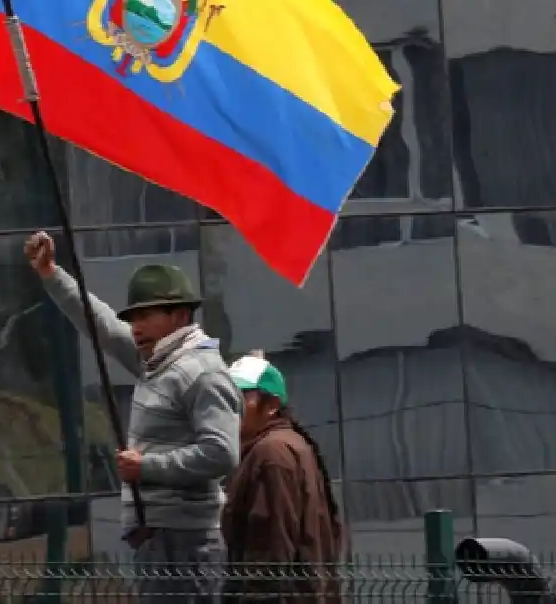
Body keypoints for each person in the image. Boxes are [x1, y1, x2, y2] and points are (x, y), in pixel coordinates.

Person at [24, 231, 239, 604]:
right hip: (159, 535)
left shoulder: (201, 371)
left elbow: (222, 452)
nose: (135, 326)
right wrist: (52, 275)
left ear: (179, 316)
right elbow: (102, 325)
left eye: (145, 315)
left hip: (184, 543)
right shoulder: (157, 361)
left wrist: (148, 467)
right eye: (133, 316)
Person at [221, 352, 343, 603]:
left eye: (241, 396)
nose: (229, 405)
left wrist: (256, 597)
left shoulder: (271, 452)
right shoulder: (285, 444)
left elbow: (271, 540)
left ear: (272, 405)